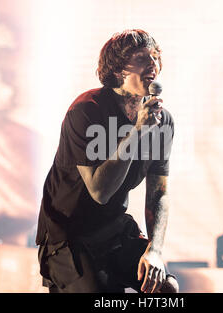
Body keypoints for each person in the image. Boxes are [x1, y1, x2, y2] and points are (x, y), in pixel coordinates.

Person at [35, 29, 178, 293]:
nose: (153, 64)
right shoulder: (87, 109)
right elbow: (100, 191)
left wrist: (155, 250)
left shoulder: (162, 120)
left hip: (113, 229)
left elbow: (159, 193)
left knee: (165, 288)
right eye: (142, 58)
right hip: (69, 237)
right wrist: (137, 132)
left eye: (156, 57)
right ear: (119, 69)